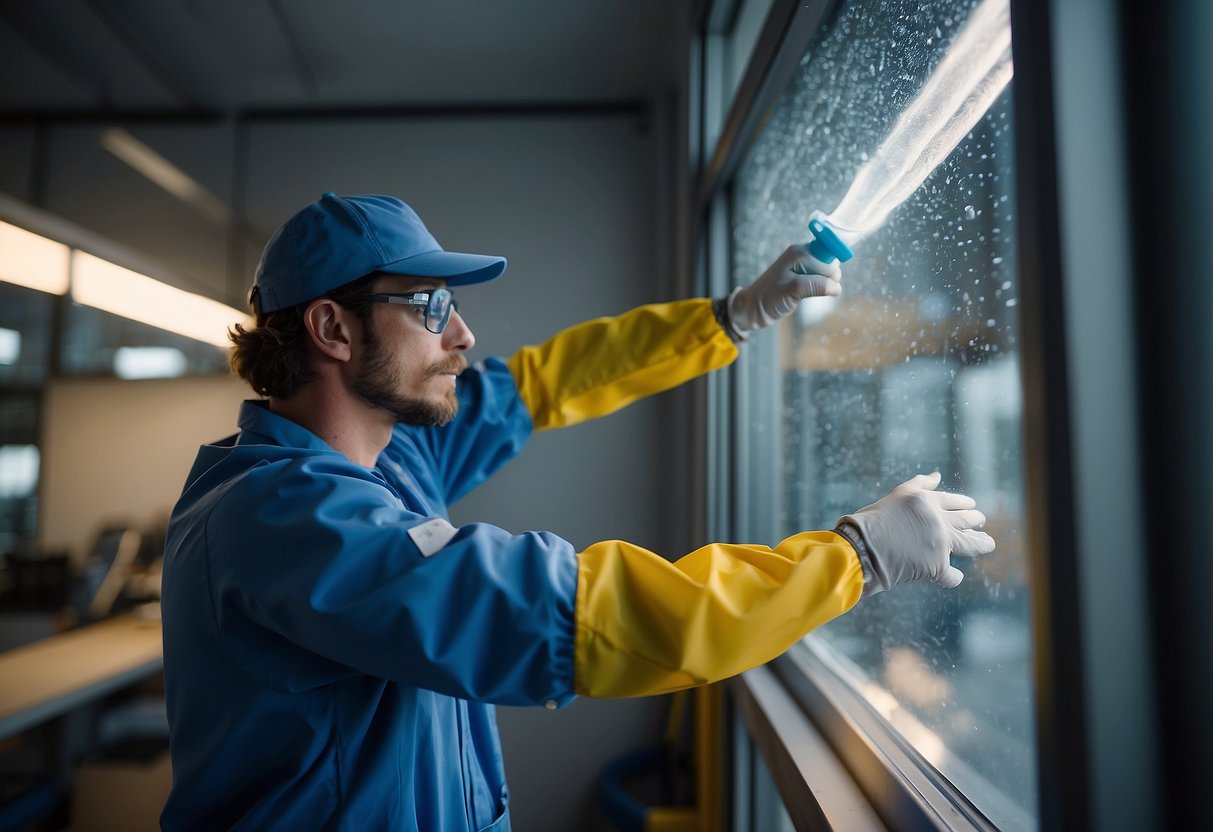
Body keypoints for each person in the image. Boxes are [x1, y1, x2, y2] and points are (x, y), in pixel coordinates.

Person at [159, 192, 994, 831]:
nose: (461, 337)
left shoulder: (391, 457)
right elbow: (582, 616)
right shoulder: (277, 520)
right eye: (430, 307)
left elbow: (548, 381)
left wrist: (732, 316)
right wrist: (853, 557)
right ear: (333, 328)